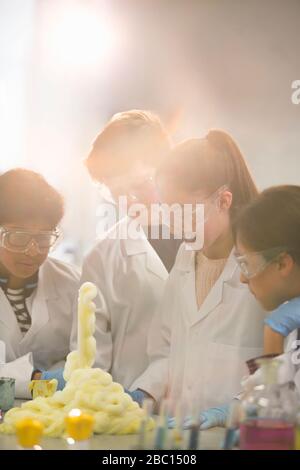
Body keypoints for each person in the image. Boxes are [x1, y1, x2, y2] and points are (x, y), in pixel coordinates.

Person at [130, 129, 268, 417]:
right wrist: (143, 392)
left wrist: (231, 411)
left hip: (239, 435)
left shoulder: (262, 269)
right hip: (181, 434)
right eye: (168, 212)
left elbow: (278, 366)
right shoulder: (185, 257)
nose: (175, 226)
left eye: (185, 212)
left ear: (224, 201)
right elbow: (166, 350)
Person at [71, 110, 175, 390]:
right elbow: (90, 361)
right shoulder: (102, 257)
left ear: (168, 169)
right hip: (130, 416)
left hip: (208, 410)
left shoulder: (210, 239)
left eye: (141, 186)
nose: (130, 202)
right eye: (117, 194)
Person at [0, 169, 80, 398]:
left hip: (57, 416)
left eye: (43, 238)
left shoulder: (72, 283)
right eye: (18, 237)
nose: (32, 250)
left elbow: (85, 358)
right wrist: (40, 382)